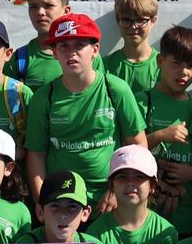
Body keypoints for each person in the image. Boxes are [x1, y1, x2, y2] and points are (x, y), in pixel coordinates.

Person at [22, 13, 146, 197]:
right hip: (61, 201)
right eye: (63, 46)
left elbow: (137, 146)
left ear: (95, 49)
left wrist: (116, 192)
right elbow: (36, 155)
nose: (72, 53)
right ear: (55, 52)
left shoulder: (116, 89)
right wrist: (44, 202)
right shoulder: (43, 97)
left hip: (109, 200)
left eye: (80, 45)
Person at [145, 26, 192, 234]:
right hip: (147, 211)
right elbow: (127, 148)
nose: (184, 72)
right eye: (176, 63)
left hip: (186, 213)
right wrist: (161, 135)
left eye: (191, 66)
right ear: (161, 61)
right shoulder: (143, 100)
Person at [104, 0, 163, 103]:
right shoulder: (105, 65)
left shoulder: (164, 65)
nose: (133, 26)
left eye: (140, 20)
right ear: (118, 21)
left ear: (153, 21)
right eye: (126, 20)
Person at [12, 0, 72, 88]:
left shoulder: (87, 55)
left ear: (66, 11)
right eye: (33, 7)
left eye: (48, 5)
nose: (40, 12)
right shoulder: (19, 59)